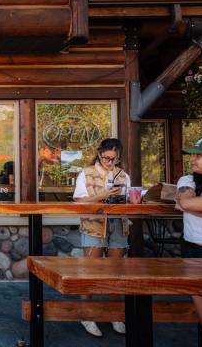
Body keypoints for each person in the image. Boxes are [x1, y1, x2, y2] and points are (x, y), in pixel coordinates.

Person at [73, 138, 130, 337]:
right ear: (99, 154)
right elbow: (79, 203)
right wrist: (102, 194)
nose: (109, 163)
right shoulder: (86, 174)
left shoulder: (123, 175)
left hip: (118, 225)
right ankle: (87, 315)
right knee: (90, 272)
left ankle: (115, 315)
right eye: (106, 158)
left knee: (116, 273)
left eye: (113, 159)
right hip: (93, 226)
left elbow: (128, 201)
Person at [175, 137, 202, 335]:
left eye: (199, 155)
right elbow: (184, 203)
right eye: (192, 155)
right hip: (194, 249)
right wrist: (192, 206)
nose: (192, 159)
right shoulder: (186, 180)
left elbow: (185, 205)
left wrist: (190, 206)